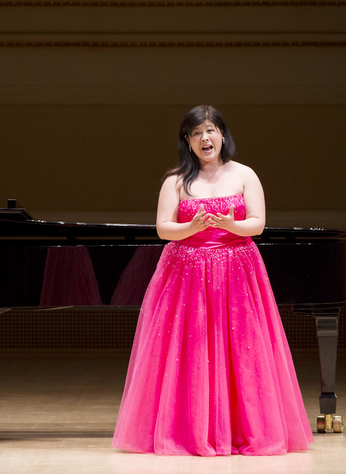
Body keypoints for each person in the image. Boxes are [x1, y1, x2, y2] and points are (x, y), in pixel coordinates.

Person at [112, 106, 314, 456]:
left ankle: (242, 429)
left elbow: (258, 224)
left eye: (210, 130)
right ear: (187, 141)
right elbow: (163, 228)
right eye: (196, 133)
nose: (204, 138)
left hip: (237, 270)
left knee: (242, 349)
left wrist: (230, 225)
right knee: (190, 350)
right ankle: (190, 431)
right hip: (186, 272)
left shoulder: (245, 175)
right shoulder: (176, 181)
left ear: (222, 135)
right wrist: (190, 228)